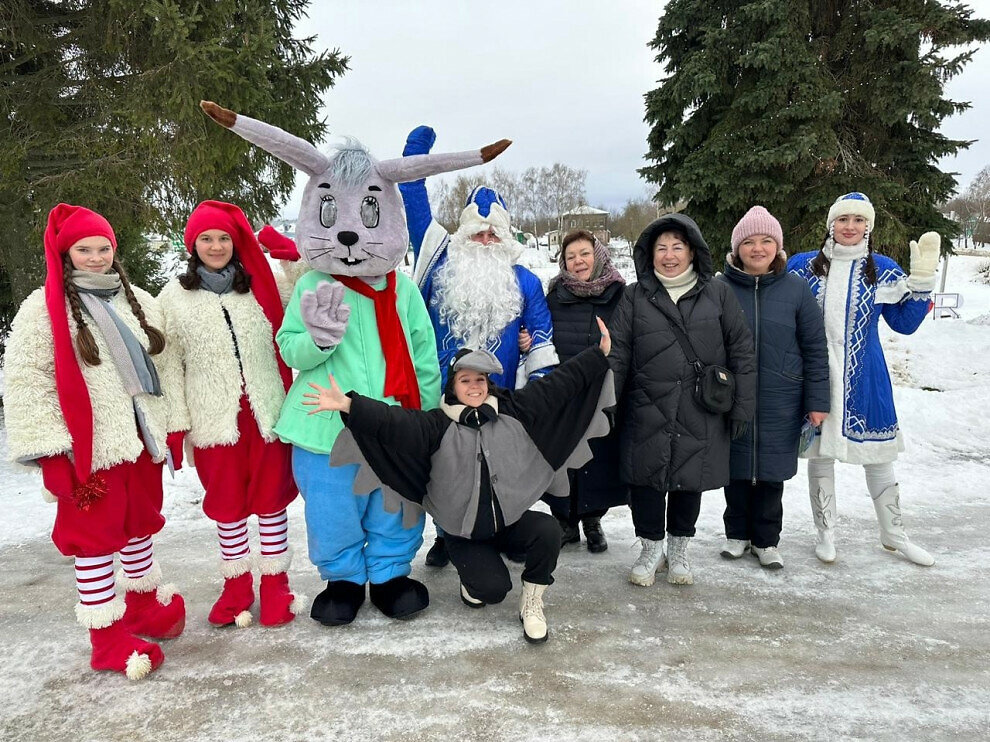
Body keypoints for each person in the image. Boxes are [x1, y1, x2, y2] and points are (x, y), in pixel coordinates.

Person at [303, 320, 615, 643]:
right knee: (492, 590)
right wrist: (349, 405)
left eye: (480, 379)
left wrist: (597, 357)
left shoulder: (511, 409)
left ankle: (533, 601)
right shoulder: (435, 425)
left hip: (506, 523)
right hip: (463, 533)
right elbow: (391, 422)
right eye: (466, 380)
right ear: (454, 386)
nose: (475, 386)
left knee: (548, 531)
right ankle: (472, 578)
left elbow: (556, 388)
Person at [4, 204, 186, 679]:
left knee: (139, 525)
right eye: (84, 249)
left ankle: (143, 606)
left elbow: (161, 370)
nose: (96, 257)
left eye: (104, 248)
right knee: (94, 543)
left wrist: (170, 427)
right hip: (91, 450)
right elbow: (26, 380)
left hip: (140, 441)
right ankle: (105, 638)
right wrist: (49, 453)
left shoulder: (137, 298)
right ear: (67, 254)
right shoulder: (42, 307)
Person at [399, 125, 559, 567]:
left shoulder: (524, 282)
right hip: (442, 393)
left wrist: (541, 386)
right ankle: (446, 535)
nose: (485, 242)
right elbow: (411, 194)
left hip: (500, 396)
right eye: (478, 234)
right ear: (463, 234)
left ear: (505, 240)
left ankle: (492, 532)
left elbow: (541, 334)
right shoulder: (437, 260)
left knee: (495, 467)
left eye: (493, 236)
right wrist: (416, 155)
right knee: (442, 467)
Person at [157, 201, 302, 628]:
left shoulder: (261, 284)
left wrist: (290, 254)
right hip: (213, 420)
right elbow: (169, 364)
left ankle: (275, 585)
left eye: (223, 238)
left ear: (235, 243)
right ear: (193, 244)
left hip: (267, 414)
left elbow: (305, 296)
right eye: (206, 238)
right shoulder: (175, 297)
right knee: (228, 506)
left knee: (272, 501)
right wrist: (176, 425)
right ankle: (237, 585)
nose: (216, 246)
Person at [788, 192, 939, 566]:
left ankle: (894, 533)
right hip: (817, 374)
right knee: (820, 455)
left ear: (868, 226)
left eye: (858, 221)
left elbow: (904, 325)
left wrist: (921, 284)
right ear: (831, 224)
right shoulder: (804, 266)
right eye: (843, 220)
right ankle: (826, 533)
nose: (850, 227)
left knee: (879, 456)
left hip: (866, 376)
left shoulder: (882, 268)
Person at [609, 213, 756, 587]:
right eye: (661, 248)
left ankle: (678, 550)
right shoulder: (634, 295)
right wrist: (607, 404)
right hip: (646, 404)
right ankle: (650, 547)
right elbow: (618, 353)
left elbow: (741, 351)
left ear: (693, 251)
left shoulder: (718, 292)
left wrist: (741, 406)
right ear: (650, 253)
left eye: (677, 247)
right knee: (647, 480)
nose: (669, 255)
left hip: (700, 405)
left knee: (689, 478)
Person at [718, 207, 830, 569]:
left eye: (766, 241)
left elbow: (814, 348)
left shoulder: (796, 289)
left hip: (782, 398)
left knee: (771, 475)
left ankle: (766, 540)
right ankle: (736, 535)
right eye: (748, 242)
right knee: (734, 470)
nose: (757, 248)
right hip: (732, 396)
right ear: (737, 249)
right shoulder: (719, 288)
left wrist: (817, 400)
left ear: (778, 247)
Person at [542, 229, 628, 552]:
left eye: (584, 254)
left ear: (599, 255)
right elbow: (538, 330)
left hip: (602, 391)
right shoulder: (555, 295)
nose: (578, 262)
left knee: (597, 457)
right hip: (563, 393)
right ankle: (564, 522)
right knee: (562, 457)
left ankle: (592, 520)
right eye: (571, 257)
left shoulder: (620, 295)